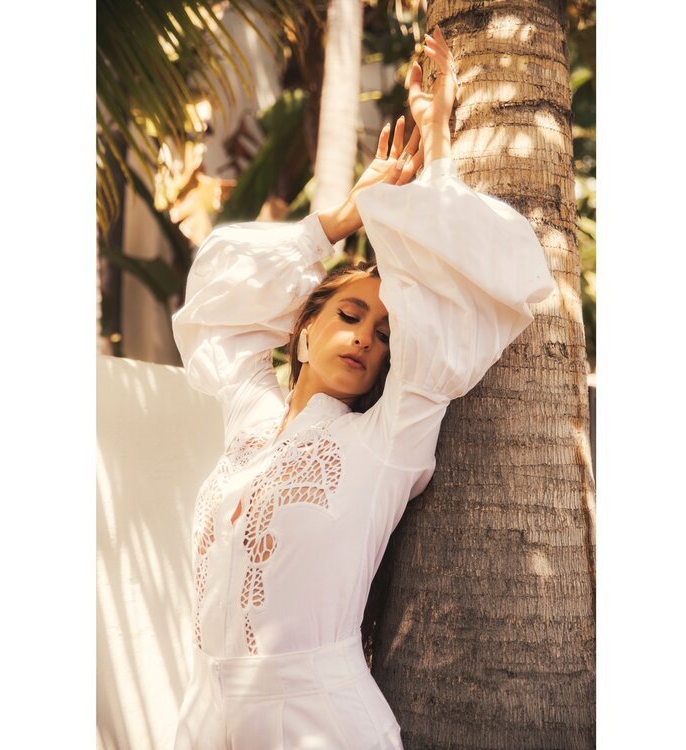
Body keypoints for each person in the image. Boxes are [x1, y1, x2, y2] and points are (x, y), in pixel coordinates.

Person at [171, 27, 554, 750]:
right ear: (304, 330)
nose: (368, 339)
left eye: (383, 335)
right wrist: (341, 217)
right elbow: (216, 305)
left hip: (317, 723)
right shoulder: (251, 417)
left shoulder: (388, 438)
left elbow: (454, 288)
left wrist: (439, 140)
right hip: (205, 713)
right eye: (350, 315)